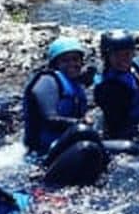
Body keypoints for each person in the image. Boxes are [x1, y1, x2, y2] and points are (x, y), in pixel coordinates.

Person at [22, 36, 132, 187]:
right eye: (65, 60)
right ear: (55, 64)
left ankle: (113, 177)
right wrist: (79, 122)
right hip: (45, 153)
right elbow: (49, 119)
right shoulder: (47, 81)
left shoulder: (76, 85)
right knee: (83, 134)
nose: (72, 64)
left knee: (129, 148)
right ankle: (41, 175)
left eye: (75, 59)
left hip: (69, 145)